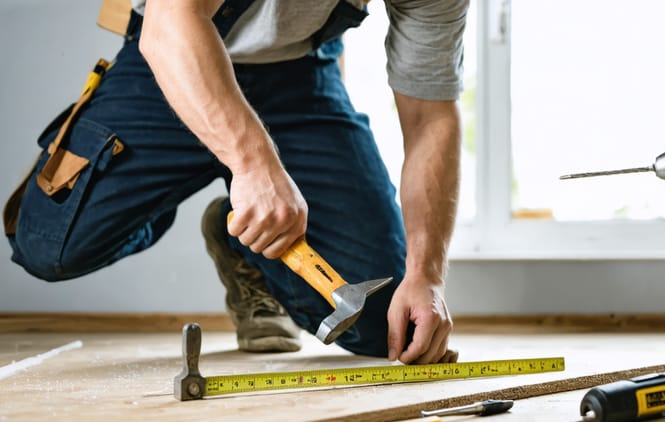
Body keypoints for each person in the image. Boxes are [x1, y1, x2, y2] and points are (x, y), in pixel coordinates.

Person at [4, 0, 467, 364]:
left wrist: (426, 275)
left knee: (386, 322)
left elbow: (431, 117)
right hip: (171, 53)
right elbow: (171, 23)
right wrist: (252, 165)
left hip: (298, 73)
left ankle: (245, 246)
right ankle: (210, 184)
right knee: (48, 245)